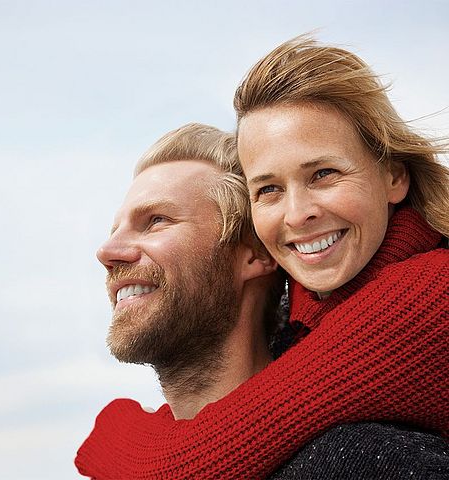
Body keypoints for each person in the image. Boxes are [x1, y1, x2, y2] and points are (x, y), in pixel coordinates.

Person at [75, 36, 449, 479]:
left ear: (394, 176)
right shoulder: (318, 312)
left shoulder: (427, 295)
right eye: (268, 189)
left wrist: (111, 433)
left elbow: (193, 461)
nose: (297, 212)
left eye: (324, 174)